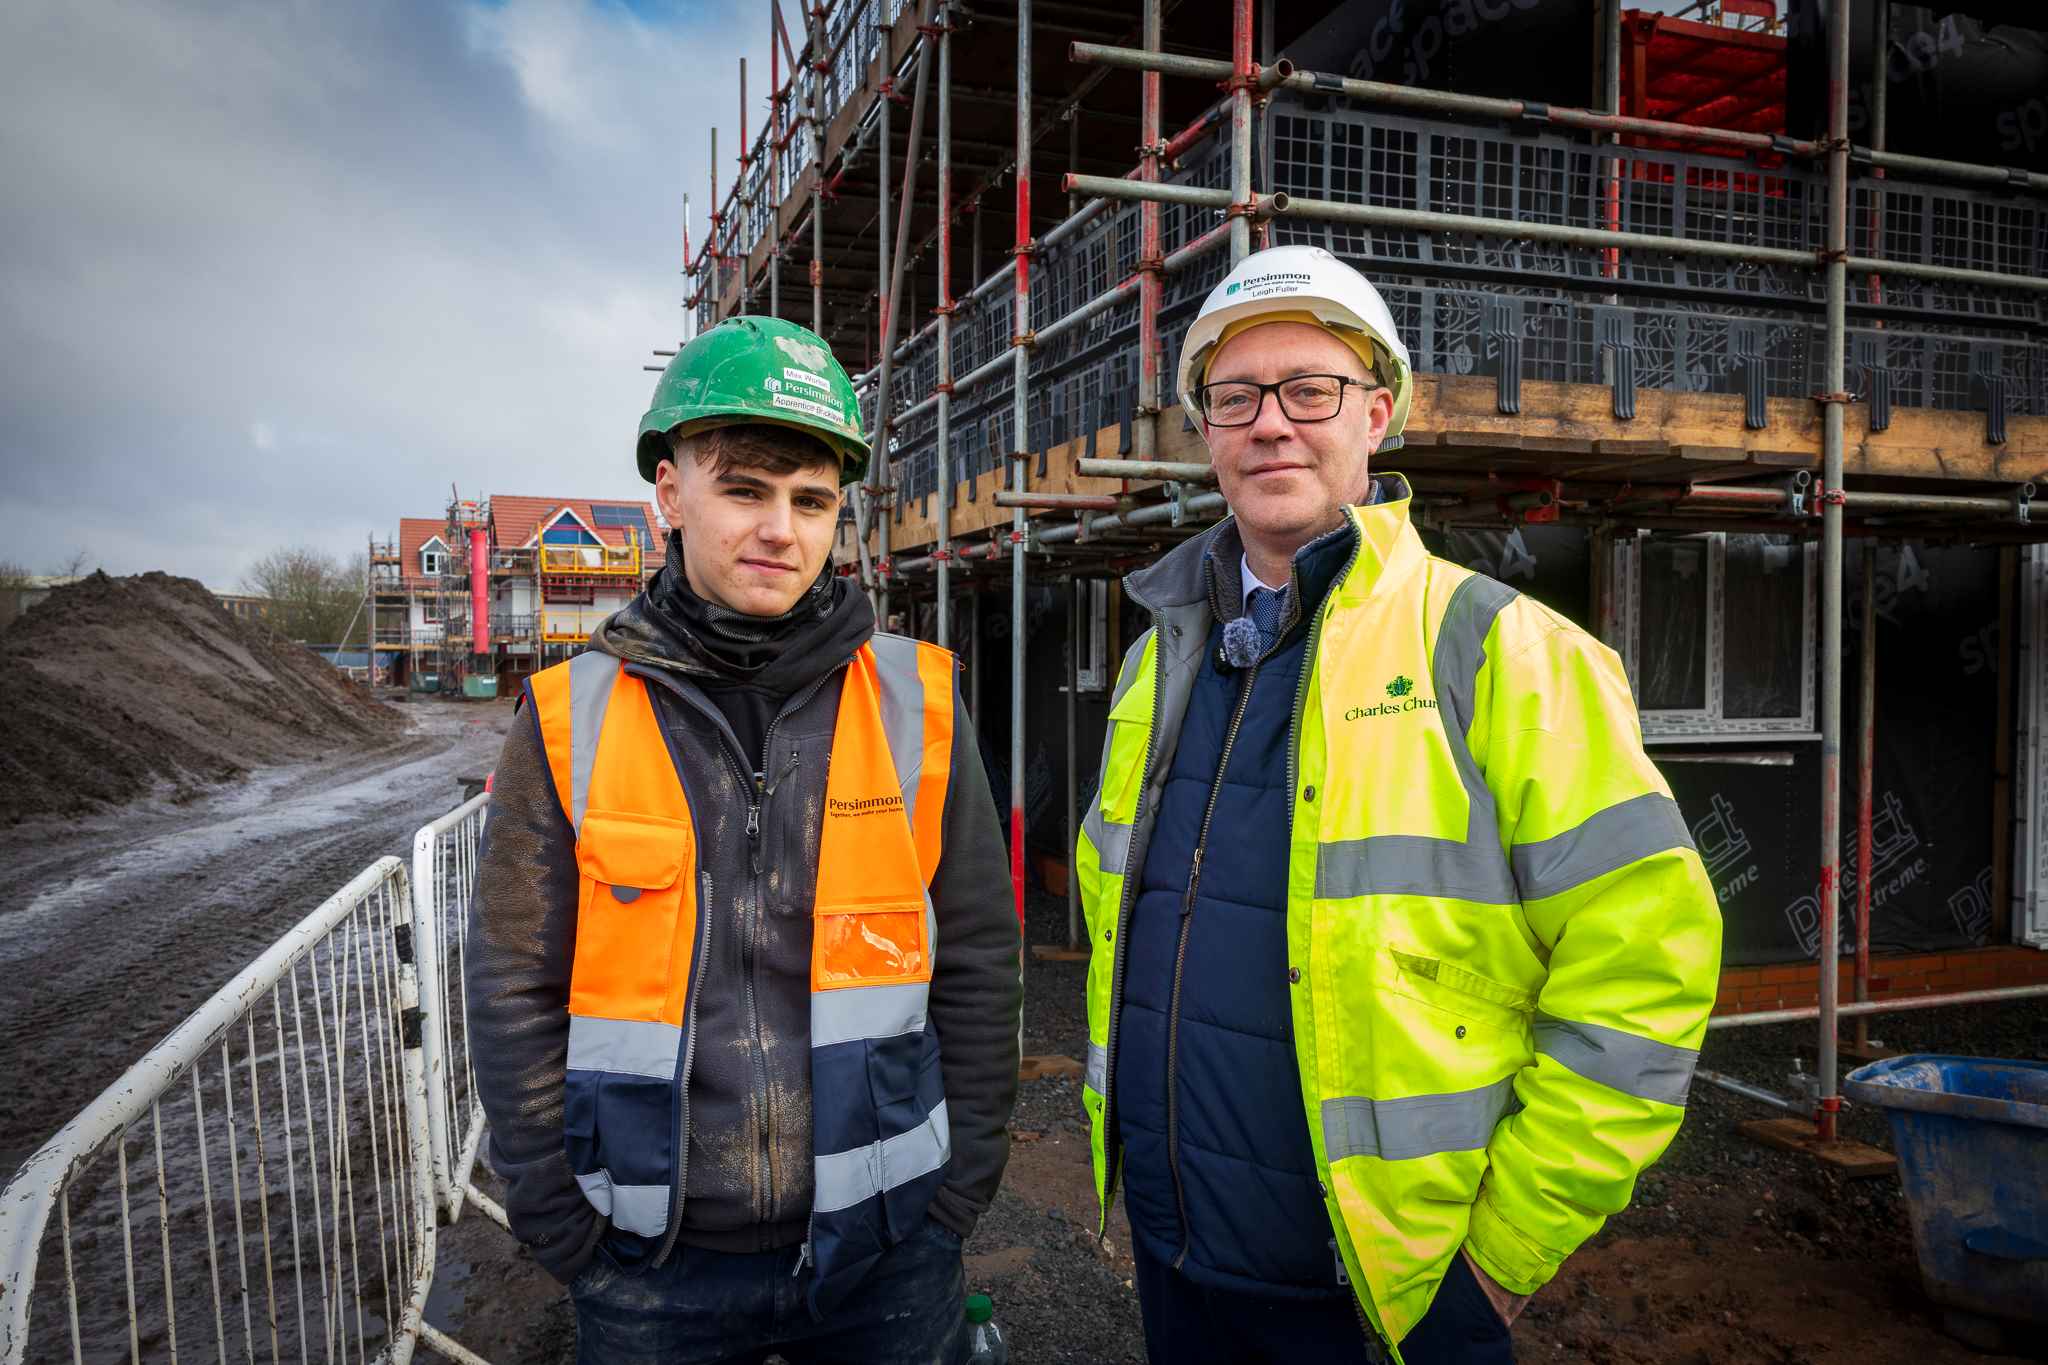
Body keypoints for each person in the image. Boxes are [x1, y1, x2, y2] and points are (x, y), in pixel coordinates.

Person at [1073, 246, 1721, 1365]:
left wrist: (1497, 1260)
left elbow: (1644, 979)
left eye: (1308, 390)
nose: (1271, 423)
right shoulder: (1155, 665)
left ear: (1376, 416)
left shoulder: (1503, 654)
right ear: (1207, 434)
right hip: (1180, 1269)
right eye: (1235, 397)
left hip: (1394, 1306)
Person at [467, 315, 1021, 1365]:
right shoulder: (567, 721)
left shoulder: (919, 704)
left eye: (811, 501)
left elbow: (981, 959)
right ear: (669, 495)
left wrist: (956, 1194)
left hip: (889, 1248)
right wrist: (558, 1223)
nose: (780, 528)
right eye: (744, 490)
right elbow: (511, 987)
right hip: (649, 1261)